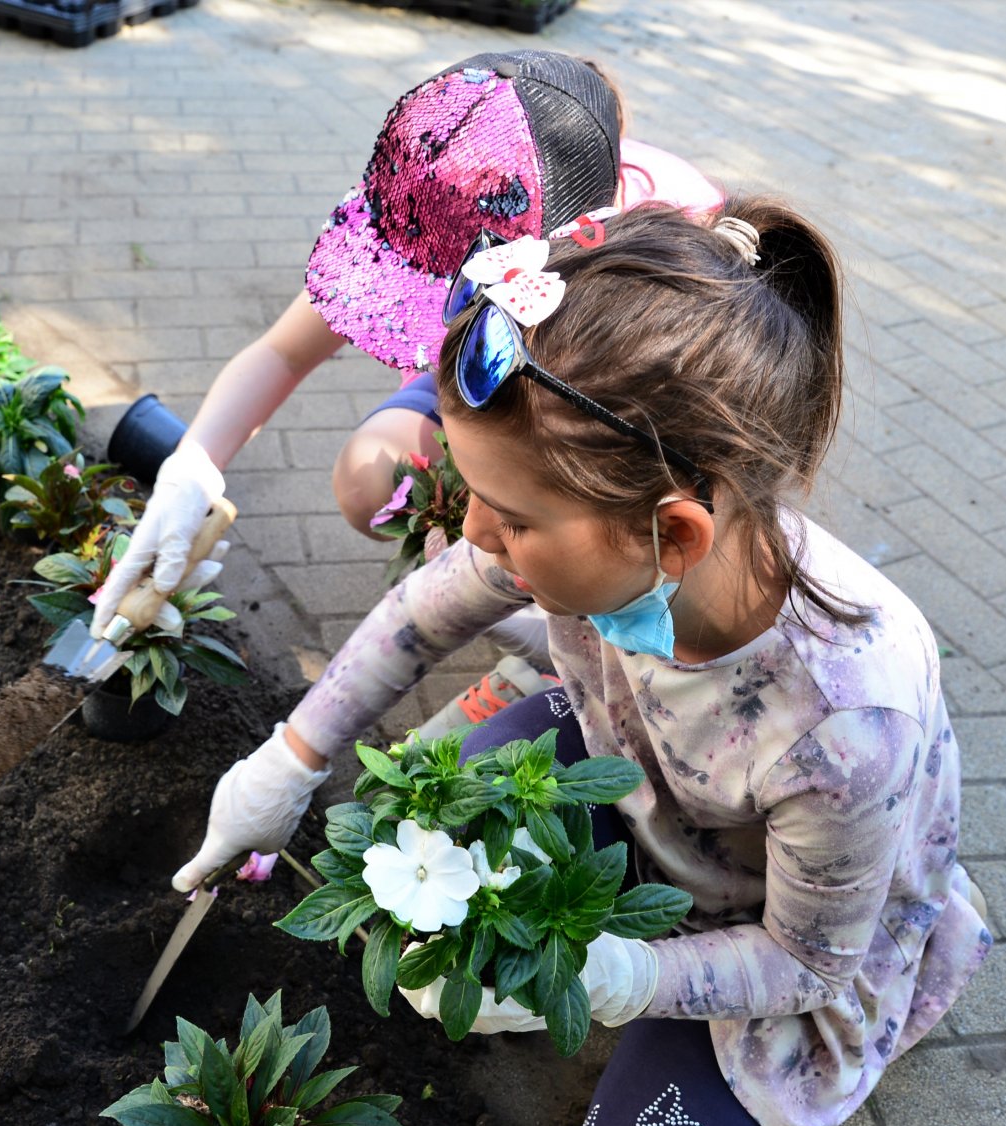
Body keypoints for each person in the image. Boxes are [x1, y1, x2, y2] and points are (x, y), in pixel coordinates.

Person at [170, 201, 993, 1126]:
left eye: (510, 518)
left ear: (678, 533)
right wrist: (287, 760)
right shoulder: (608, 533)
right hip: (658, 784)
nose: (474, 530)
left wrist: (625, 978)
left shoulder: (844, 724)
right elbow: (423, 611)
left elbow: (807, 964)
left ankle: (769, 1019)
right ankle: (640, 932)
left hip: (792, 927)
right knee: (464, 780)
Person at [90, 50, 722, 721]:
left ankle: (578, 631)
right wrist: (192, 470)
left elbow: (688, 471)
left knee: (588, 548)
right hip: (485, 387)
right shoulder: (436, 192)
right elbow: (280, 352)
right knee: (374, 477)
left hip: (610, 417)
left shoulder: (662, 252)